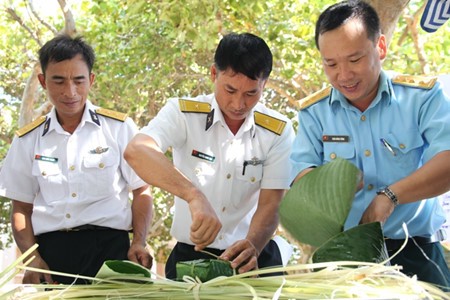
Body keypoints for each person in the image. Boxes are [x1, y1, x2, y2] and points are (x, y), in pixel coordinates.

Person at [290, 0, 450, 289]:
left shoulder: (422, 98)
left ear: (381, 48)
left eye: (354, 60)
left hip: (416, 253)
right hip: (345, 261)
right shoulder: (314, 113)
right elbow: (303, 178)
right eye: (331, 64)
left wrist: (390, 196)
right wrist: (332, 185)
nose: (344, 75)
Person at [124, 32, 294, 279]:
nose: (238, 104)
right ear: (214, 74)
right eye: (230, 89)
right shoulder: (183, 114)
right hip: (191, 259)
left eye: (251, 94)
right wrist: (193, 195)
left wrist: (253, 245)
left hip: (252, 257)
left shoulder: (277, 130)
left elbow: (272, 202)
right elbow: (137, 150)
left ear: (264, 84)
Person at [0, 34, 153, 284]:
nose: (69, 92)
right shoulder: (27, 140)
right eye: (58, 81)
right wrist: (32, 259)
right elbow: (21, 209)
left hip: (111, 253)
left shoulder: (119, 128)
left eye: (78, 81)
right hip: (54, 259)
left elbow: (142, 190)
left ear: (91, 80)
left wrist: (138, 242)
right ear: (42, 81)